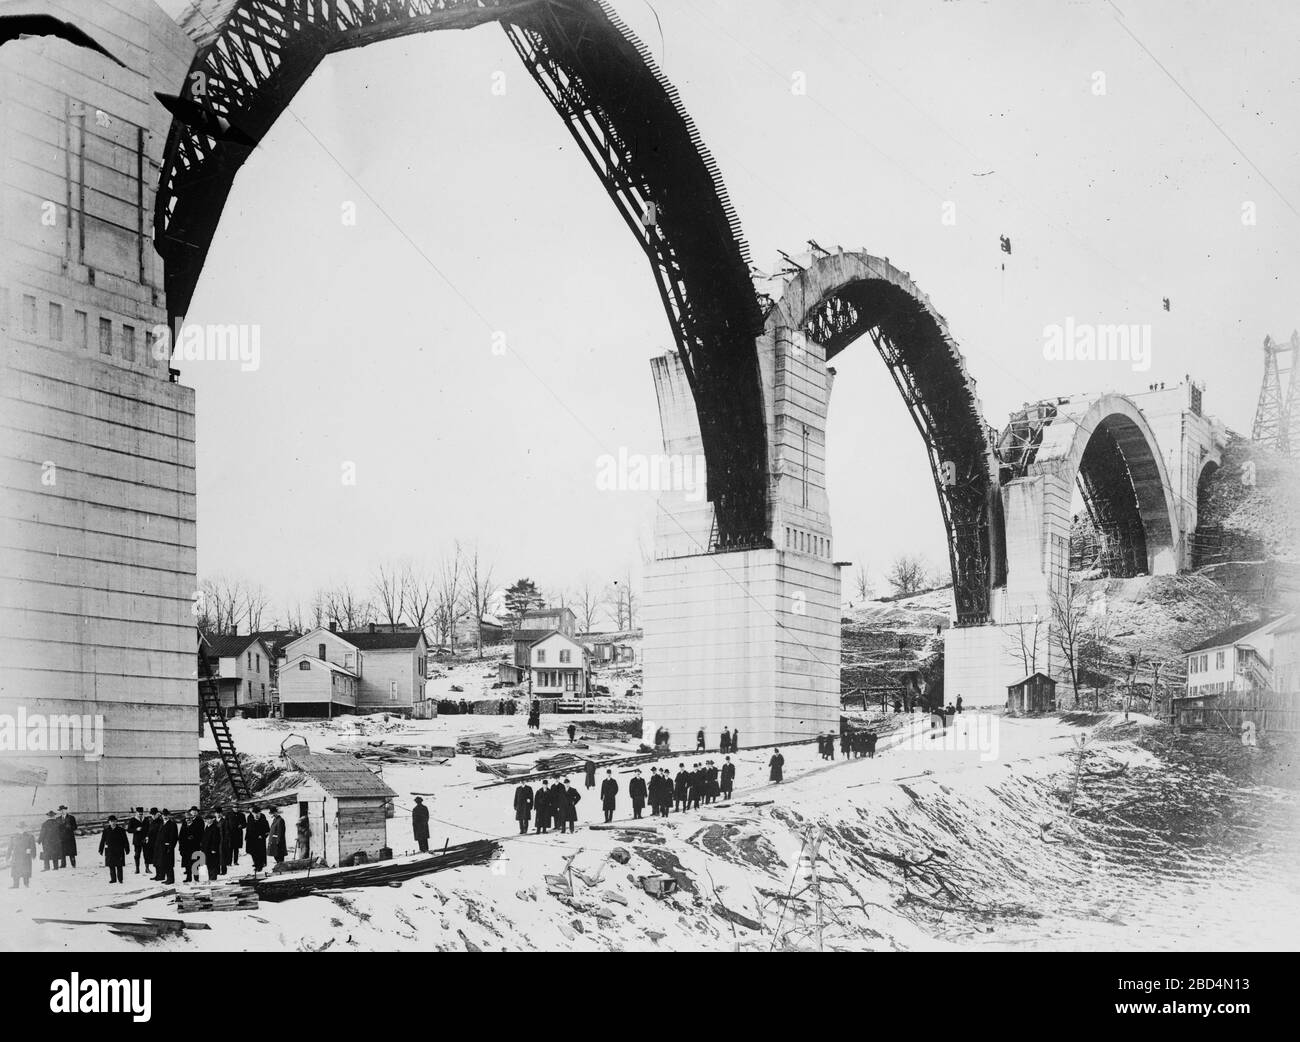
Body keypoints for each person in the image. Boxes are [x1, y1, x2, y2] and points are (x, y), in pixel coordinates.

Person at [98, 816, 128, 884]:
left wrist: (127, 849)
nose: (113, 823)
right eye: (111, 821)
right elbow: (102, 841)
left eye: (114, 821)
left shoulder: (121, 830)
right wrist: (100, 849)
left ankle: (120, 879)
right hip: (110, 850)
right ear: (109, 822)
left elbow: (125, 840)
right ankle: (113, 879)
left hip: (119, 850)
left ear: (116, 822)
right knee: (111, 865)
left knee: (119, 865)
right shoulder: (106, 831)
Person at [179, 807, 203, 883]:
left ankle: (196, 878)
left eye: (190, 819)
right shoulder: (184, 827)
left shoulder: (196, 826)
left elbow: (200, 835)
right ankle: (188, 878)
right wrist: (181, 848)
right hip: (186, 849)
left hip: (194, 848)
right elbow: (180, 838)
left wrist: (194, 837)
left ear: (192, 819)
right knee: (187, 864)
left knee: (195, 864)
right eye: (187, 819)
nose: (188, 820)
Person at [154, 810, 178, 884]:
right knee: (164, 863)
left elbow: (174, 837)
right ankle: (168, 878)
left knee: (169, 864)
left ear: (169, 815)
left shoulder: (172, 824)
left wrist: (170, 847)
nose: (165, 816)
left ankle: (171, 879)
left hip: (168, 847)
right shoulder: (162, 823)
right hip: (161, 847)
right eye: (164, 815)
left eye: (166, 815)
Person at [201, 811, 223, 881]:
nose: (208, 821)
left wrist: (214, 849)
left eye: (209, 819)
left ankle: (213, 877)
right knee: (208, 863)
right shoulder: (206, 827)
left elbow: (216, 839)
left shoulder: (215, 828)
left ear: (212, 820)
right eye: (207, 819)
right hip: (206, 849)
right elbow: (204, 839)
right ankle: (210, 877)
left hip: (212, 850)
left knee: (213, 863)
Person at [245, 807, 268, 871]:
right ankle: (256, 864)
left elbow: (267, 830)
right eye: (255, 814)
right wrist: (247, 837)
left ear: (260, 813)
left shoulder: (263, 820)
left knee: (260, 853)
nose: (256, 815)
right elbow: (248, 829)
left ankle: (259, 866)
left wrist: (262, 836)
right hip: (252, 840)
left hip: (260, 840)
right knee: (253, 853)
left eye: (258, 813)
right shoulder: (250, 819)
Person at [127, 807, 147, 874]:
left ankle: (147, 868)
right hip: (137, 840)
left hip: (145, 840)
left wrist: (147, 836)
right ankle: (137, 869)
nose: (140, 815)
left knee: (146, 854)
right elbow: (129, 830)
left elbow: (149, 828)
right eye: (139, 814)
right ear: (136, 813)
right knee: (137, 855)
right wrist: (136, 829)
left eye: (141, 814)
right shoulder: (132, 819)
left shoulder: (146, 819)